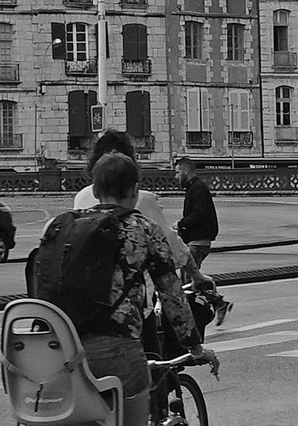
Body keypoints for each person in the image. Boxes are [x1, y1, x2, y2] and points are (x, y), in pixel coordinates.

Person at [44, 152, 211, 426]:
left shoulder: (56, 227)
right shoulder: (142, 229)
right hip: (115, 352)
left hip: (55, 357)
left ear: (94, 190)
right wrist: (194, 346)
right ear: (134, 191)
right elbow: (173, 297)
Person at [75, 133, 229, 328]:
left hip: (84, 314)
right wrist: (197, 277)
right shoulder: (141, 200)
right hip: (129, 314)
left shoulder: (80, 198)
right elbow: (170, 249)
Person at [175, 155, 219, 268]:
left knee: (188, 279)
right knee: (190, 276)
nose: (176, 177)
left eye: (177, 172)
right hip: (198, 240)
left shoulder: (197, 188)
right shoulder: (195, 187)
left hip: (197, 241)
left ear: (185, 172)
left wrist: (180, 224)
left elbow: (199, 214)